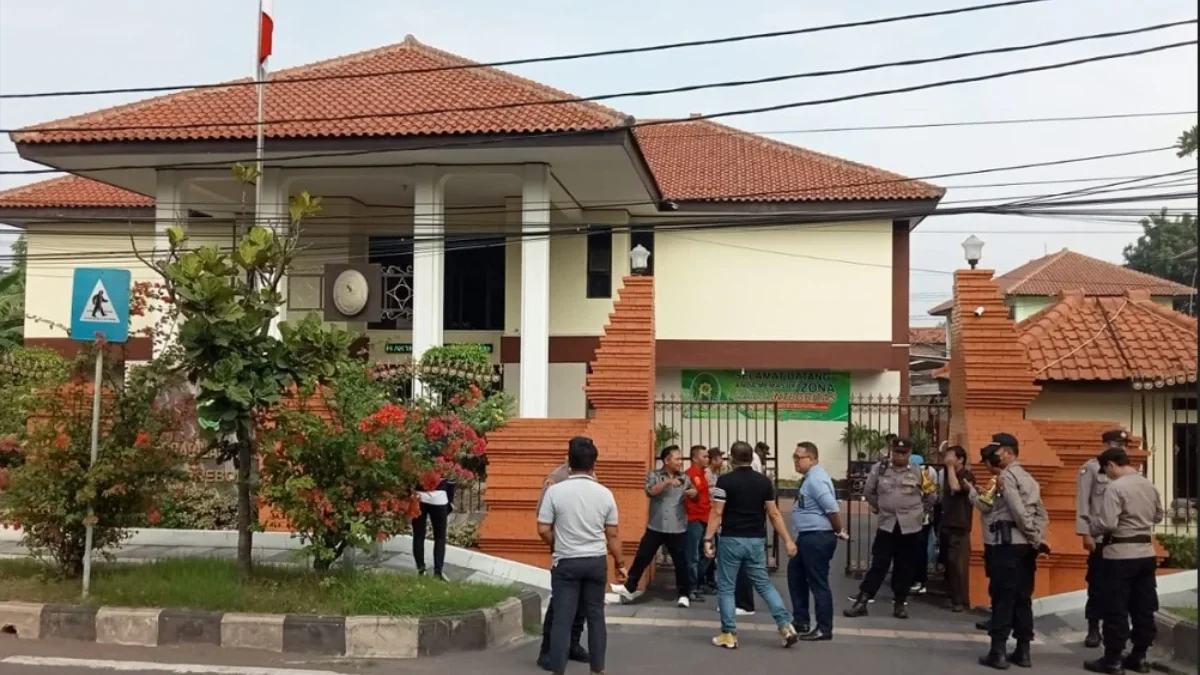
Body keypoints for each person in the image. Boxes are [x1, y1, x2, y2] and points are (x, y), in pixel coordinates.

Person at [537, 436, 627, 675]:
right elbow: (613, 535)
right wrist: (620, 563)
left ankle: (558, 669)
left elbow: (543, 529)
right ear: (594, 464)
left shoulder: (555, 492)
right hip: (596, 562)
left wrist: (558, 543)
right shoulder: (605, 494)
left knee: (562, 620)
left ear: (569, 463)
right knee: (596, 616)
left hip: (566, 562)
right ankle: (597, 670)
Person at [703, 441, 800, 649]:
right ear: (751, 457)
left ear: (732, 459)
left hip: (731, 538)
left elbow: (717, 512)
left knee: (727, 587)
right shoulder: (764, 482)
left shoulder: (725, 481)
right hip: (756, 539)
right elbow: (773, 514)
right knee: (763, 584)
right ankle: (785, 625)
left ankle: (729, 633)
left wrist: (708, 538)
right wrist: (788, 540)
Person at [1083, 445, 1165, 675]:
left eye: (1106, 470)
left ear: (1111, 465)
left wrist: (1093, 526)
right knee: (1144, 606)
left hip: (1119, 553)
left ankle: (1113, 660)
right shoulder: (1147, 484)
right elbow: (1159, 515)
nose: (1106, 475)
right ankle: (1139, 656)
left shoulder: (1115, 488)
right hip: (1146, 553)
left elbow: (1108, 523)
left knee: (1116, 607)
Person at [972, 432, 1049, 670]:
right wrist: (1035, 537)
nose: (993, 457)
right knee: (1022, 598)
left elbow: (1017, 509)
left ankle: (998, 652)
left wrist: (1031, 534)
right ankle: (1023, 651)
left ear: (1007, 453)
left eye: (996, 452)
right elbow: (1042, 514)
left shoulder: (1006, 477)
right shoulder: (1029, 478)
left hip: (1006, 545)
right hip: (1025, 546)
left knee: (1003, 598)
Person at [844, 437, 936, 620]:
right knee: (879, 564)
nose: (900, 456)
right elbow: (869, 492)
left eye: (904, 453)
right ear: (892, 451)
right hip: (887, 525)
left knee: (905, 566)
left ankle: (900, 603)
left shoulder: (920, 471)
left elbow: (931, 496)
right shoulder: (880, 469)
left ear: (909, 454)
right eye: (897, 452)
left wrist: (918, 512)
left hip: (910, 527)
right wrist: (880, 506)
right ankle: (863, 601)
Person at [612, 445, 696, 608]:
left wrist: (694, 494)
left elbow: (694, 496)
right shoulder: (654, 475)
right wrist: (667, 482)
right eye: (677, 458)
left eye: (680, 459)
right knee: (642, 557)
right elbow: (650, 492)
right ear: (666, 460)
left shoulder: (685, 478)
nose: (680, 462)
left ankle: (684, 594)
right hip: (656, 525)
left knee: (680, 562)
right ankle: (629, 588)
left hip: (677, 526)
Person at [786, 441, 849, 641]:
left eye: (799, 457)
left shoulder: (816, 480)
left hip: (817, 537)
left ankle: (824, 627)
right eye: (794, 457)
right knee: (795, 575)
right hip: (807, 536)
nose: (795, 461)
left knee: (818, 582)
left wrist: (839, 530)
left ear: (811, 459)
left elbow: (831, 508)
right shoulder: (810, 478)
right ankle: (801, 620)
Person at [535, 456, 590, 670]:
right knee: (561, 602)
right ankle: (548, 650)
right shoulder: (556, 479)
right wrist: (558, 544)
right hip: (565, 549)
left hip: (585, 550)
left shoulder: (589, 476)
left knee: (582, 602)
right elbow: (543, 517)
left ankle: (573, 644)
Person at [1076, 429, 1128, 650]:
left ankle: (1113, 628)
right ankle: (1093, 627)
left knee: (1119, 585)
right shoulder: (1091, 468)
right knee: (1097, 583)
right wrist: (1085, 533)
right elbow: (1083, 501)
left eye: (1124, 445)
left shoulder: (1128, 471)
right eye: (1117, 444)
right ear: (1106, 444)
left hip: (1122, 536)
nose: (1122, 448)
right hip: (1099, 535)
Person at [936, 444, 975, 613]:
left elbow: (956, 487)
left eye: (951, 456)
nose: (947, 459)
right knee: (946, 561)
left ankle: (959, 599)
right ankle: (950, 595)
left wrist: (951, 467)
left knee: (955, 562)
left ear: (960, 459)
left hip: (959, 525)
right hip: (946, 522)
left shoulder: (967, 475)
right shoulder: (946, 474)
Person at [684, 445, 713, 601]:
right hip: (694, 519)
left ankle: (698, 583)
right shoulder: (690, 475)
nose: (707, 459)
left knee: (706, 554)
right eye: (704, 456)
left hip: (705, 518)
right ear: (695, 458)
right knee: (694, 556)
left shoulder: (702, 474)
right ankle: (692, 588)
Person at [412, 477, 452, 580]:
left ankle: (421, 570)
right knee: (440, 537)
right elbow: (452, 478)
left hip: (419, 496)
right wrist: (450, 500)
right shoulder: (443, 461)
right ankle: (438, 572)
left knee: (418, 535)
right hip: (439, 498)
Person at [703, 447, 725, 591]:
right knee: (708, 549)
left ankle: (710, 579)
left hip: (714, 516)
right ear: (714, 459)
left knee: (713, 550)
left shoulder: (716, 475)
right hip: (708, 516)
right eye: (720, 458)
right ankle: (706, 580)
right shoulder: (706, 474)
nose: (722, 461)